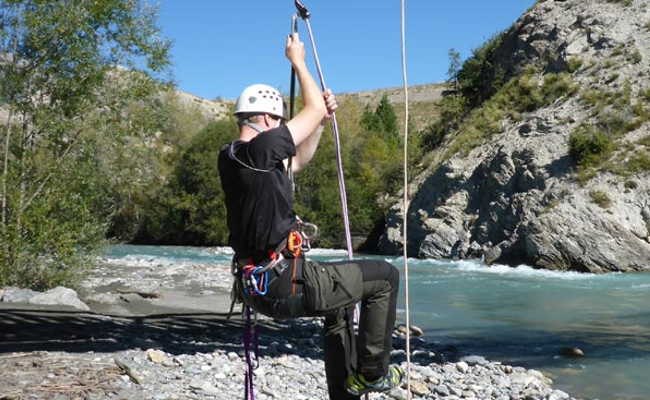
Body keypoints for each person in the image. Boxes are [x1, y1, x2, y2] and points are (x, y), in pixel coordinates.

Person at [218, 32, 403, 399]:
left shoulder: (234, 156)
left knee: (340, 305)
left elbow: (297, 160)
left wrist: (318, 123)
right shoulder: (262, 148)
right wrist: (298, 61)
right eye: (281, 122)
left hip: (260, 287)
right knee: (384, 276)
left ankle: (345, 390)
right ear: (269, 118)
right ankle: (372, 372)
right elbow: (313, 108)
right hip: (285, 281)